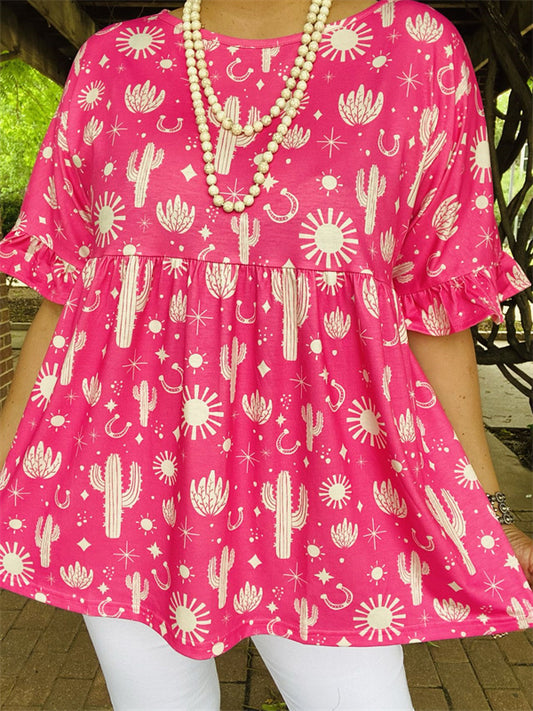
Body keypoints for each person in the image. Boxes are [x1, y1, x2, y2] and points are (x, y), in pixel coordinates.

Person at [0, 0, 532, 708]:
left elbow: (435, 307)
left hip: (330, 482)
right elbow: (67, 295)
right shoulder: (112, 62)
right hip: (124, 478)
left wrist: (488, 509)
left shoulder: (412, 48)